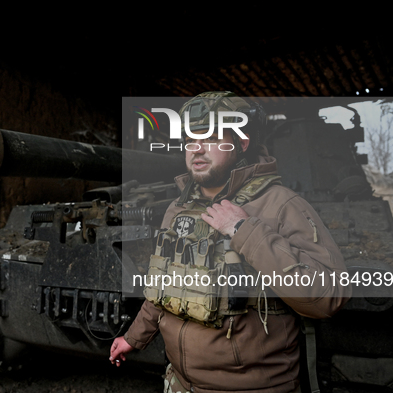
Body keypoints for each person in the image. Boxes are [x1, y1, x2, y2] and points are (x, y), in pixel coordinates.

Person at [110, 92, 352, 393]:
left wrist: (242, 229)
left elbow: (329, 297)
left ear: (241, 143)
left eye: (211, 138)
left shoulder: (281, 204)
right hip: (179, 383)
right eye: (189, 140)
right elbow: (163, 286)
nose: (196, 149)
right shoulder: (179, 208)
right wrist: (133, 338)